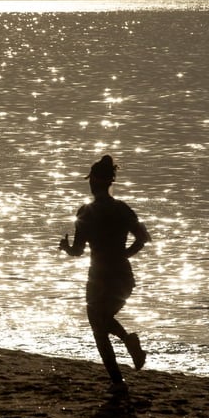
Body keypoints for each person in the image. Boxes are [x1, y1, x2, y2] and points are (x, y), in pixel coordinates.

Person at [59, 154, 151, 393]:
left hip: (98, 277)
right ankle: (127, 349)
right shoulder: (122, 209)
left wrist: (65, 247)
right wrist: (123, 255)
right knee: (103, 321)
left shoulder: (86, 212)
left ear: (94, 182)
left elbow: (78, 251)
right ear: (110, 182)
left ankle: (119, 379)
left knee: (99, 327)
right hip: (122, 275)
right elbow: (143, 238)